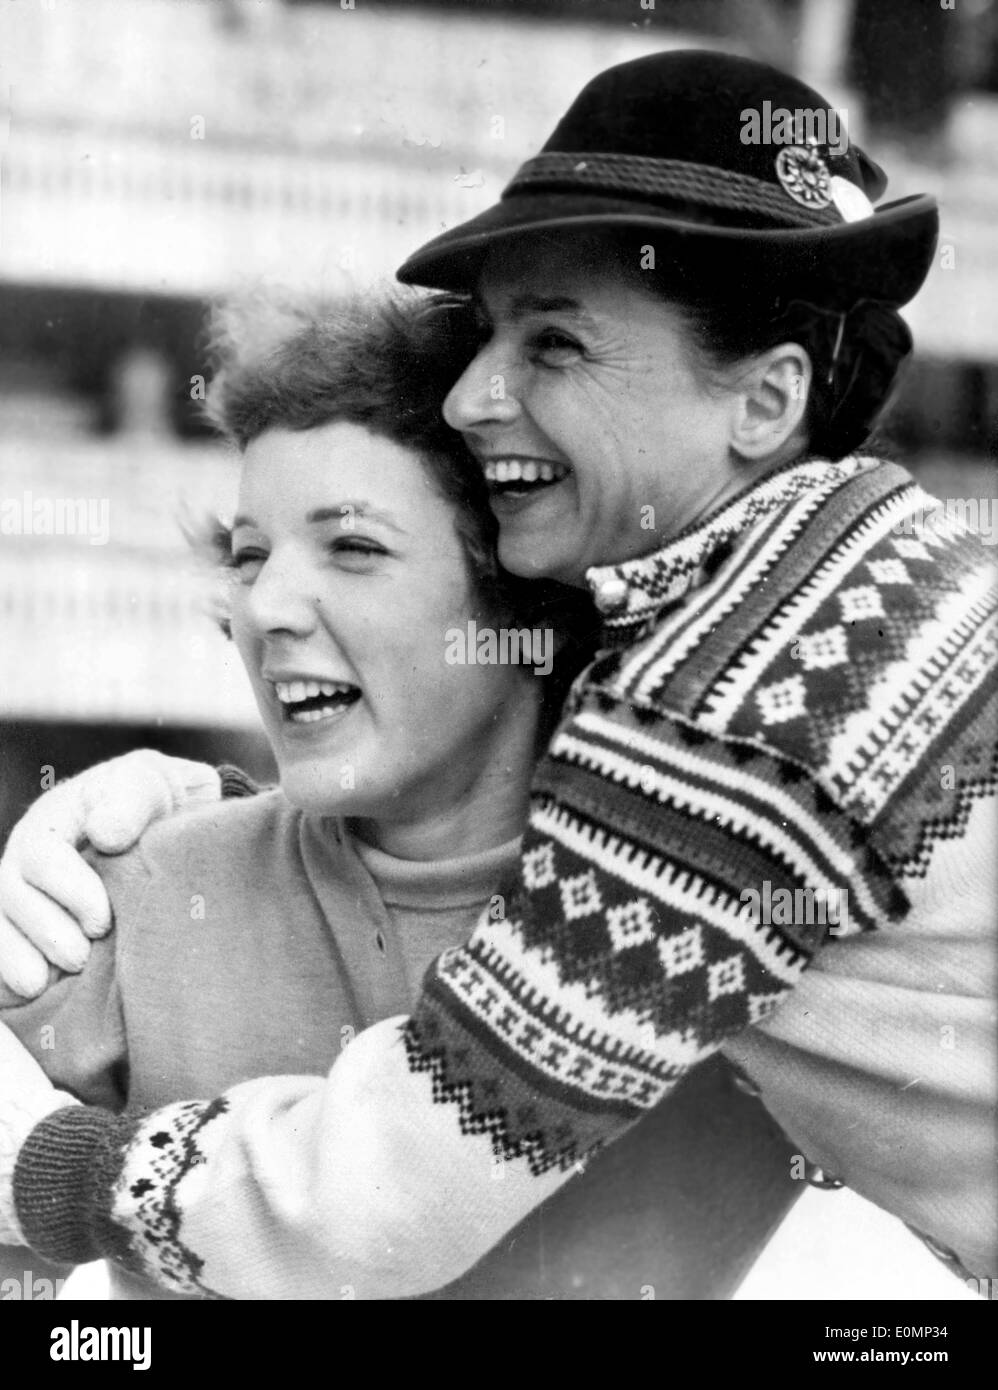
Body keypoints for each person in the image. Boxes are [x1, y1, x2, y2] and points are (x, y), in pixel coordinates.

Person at [1, 50, 994, 1298]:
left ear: (763, 399)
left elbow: (383, 1199)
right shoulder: (882, 573)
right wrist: (190, 807)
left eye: (557, 344)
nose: (477, 395)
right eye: (488, 338)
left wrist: (47, 1172)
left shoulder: (729, 708)